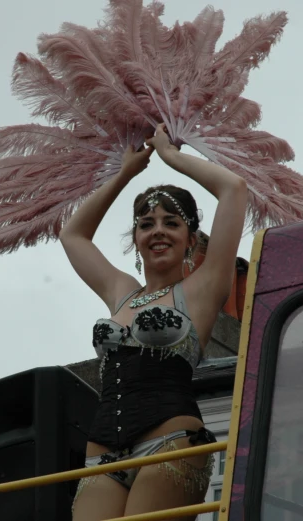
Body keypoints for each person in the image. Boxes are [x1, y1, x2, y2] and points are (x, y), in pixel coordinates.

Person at [59, 123, 247, 520]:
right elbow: (73, 236)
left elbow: (234, 190)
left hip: (172, 441)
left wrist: (171, 156)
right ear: (137, 238)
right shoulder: (121, 290)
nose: (157, 231)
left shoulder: (203, 287)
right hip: (103, 452)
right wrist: (126, 172)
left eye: (170, 223)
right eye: (147, 224)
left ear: (190, 239)